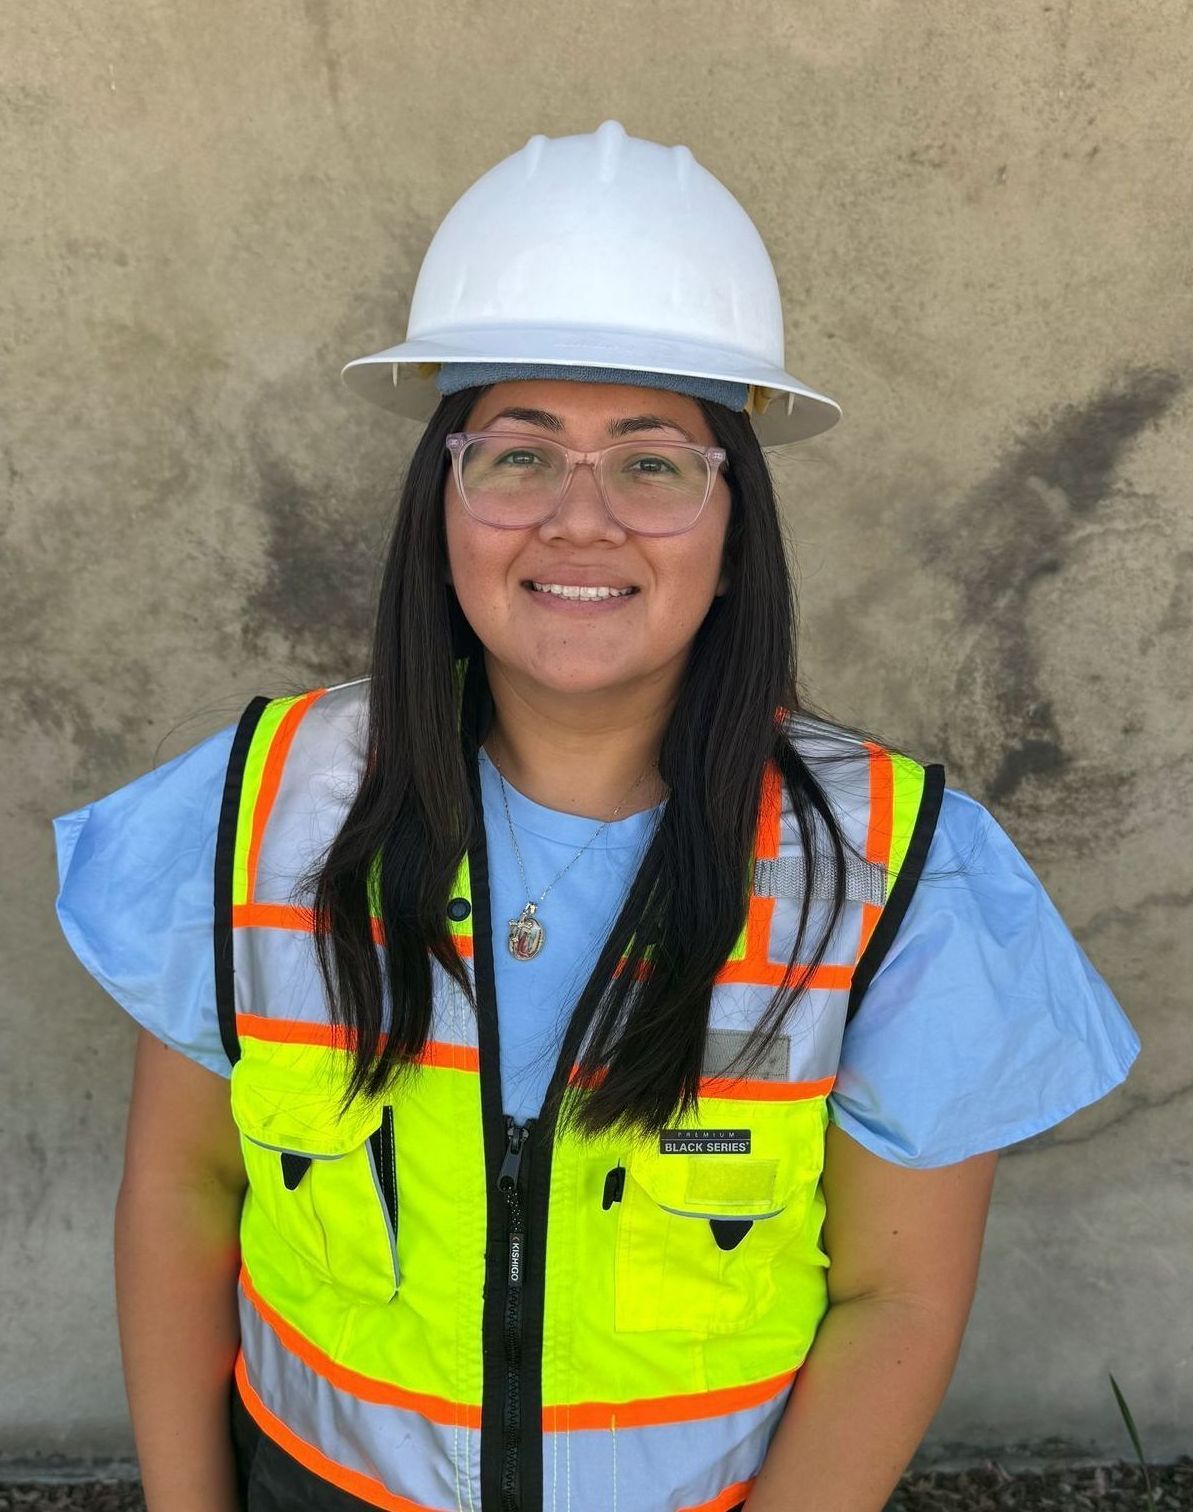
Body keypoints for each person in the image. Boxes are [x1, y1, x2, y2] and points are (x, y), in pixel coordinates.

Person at [52, 121, 1139, 1512]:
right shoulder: (257, 806)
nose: (578, 519)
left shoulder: (894, 868)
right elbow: (185, 1196)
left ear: (734, 520)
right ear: (438, 500)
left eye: (652, 461)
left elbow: (895, 1299)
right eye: (516, 455)